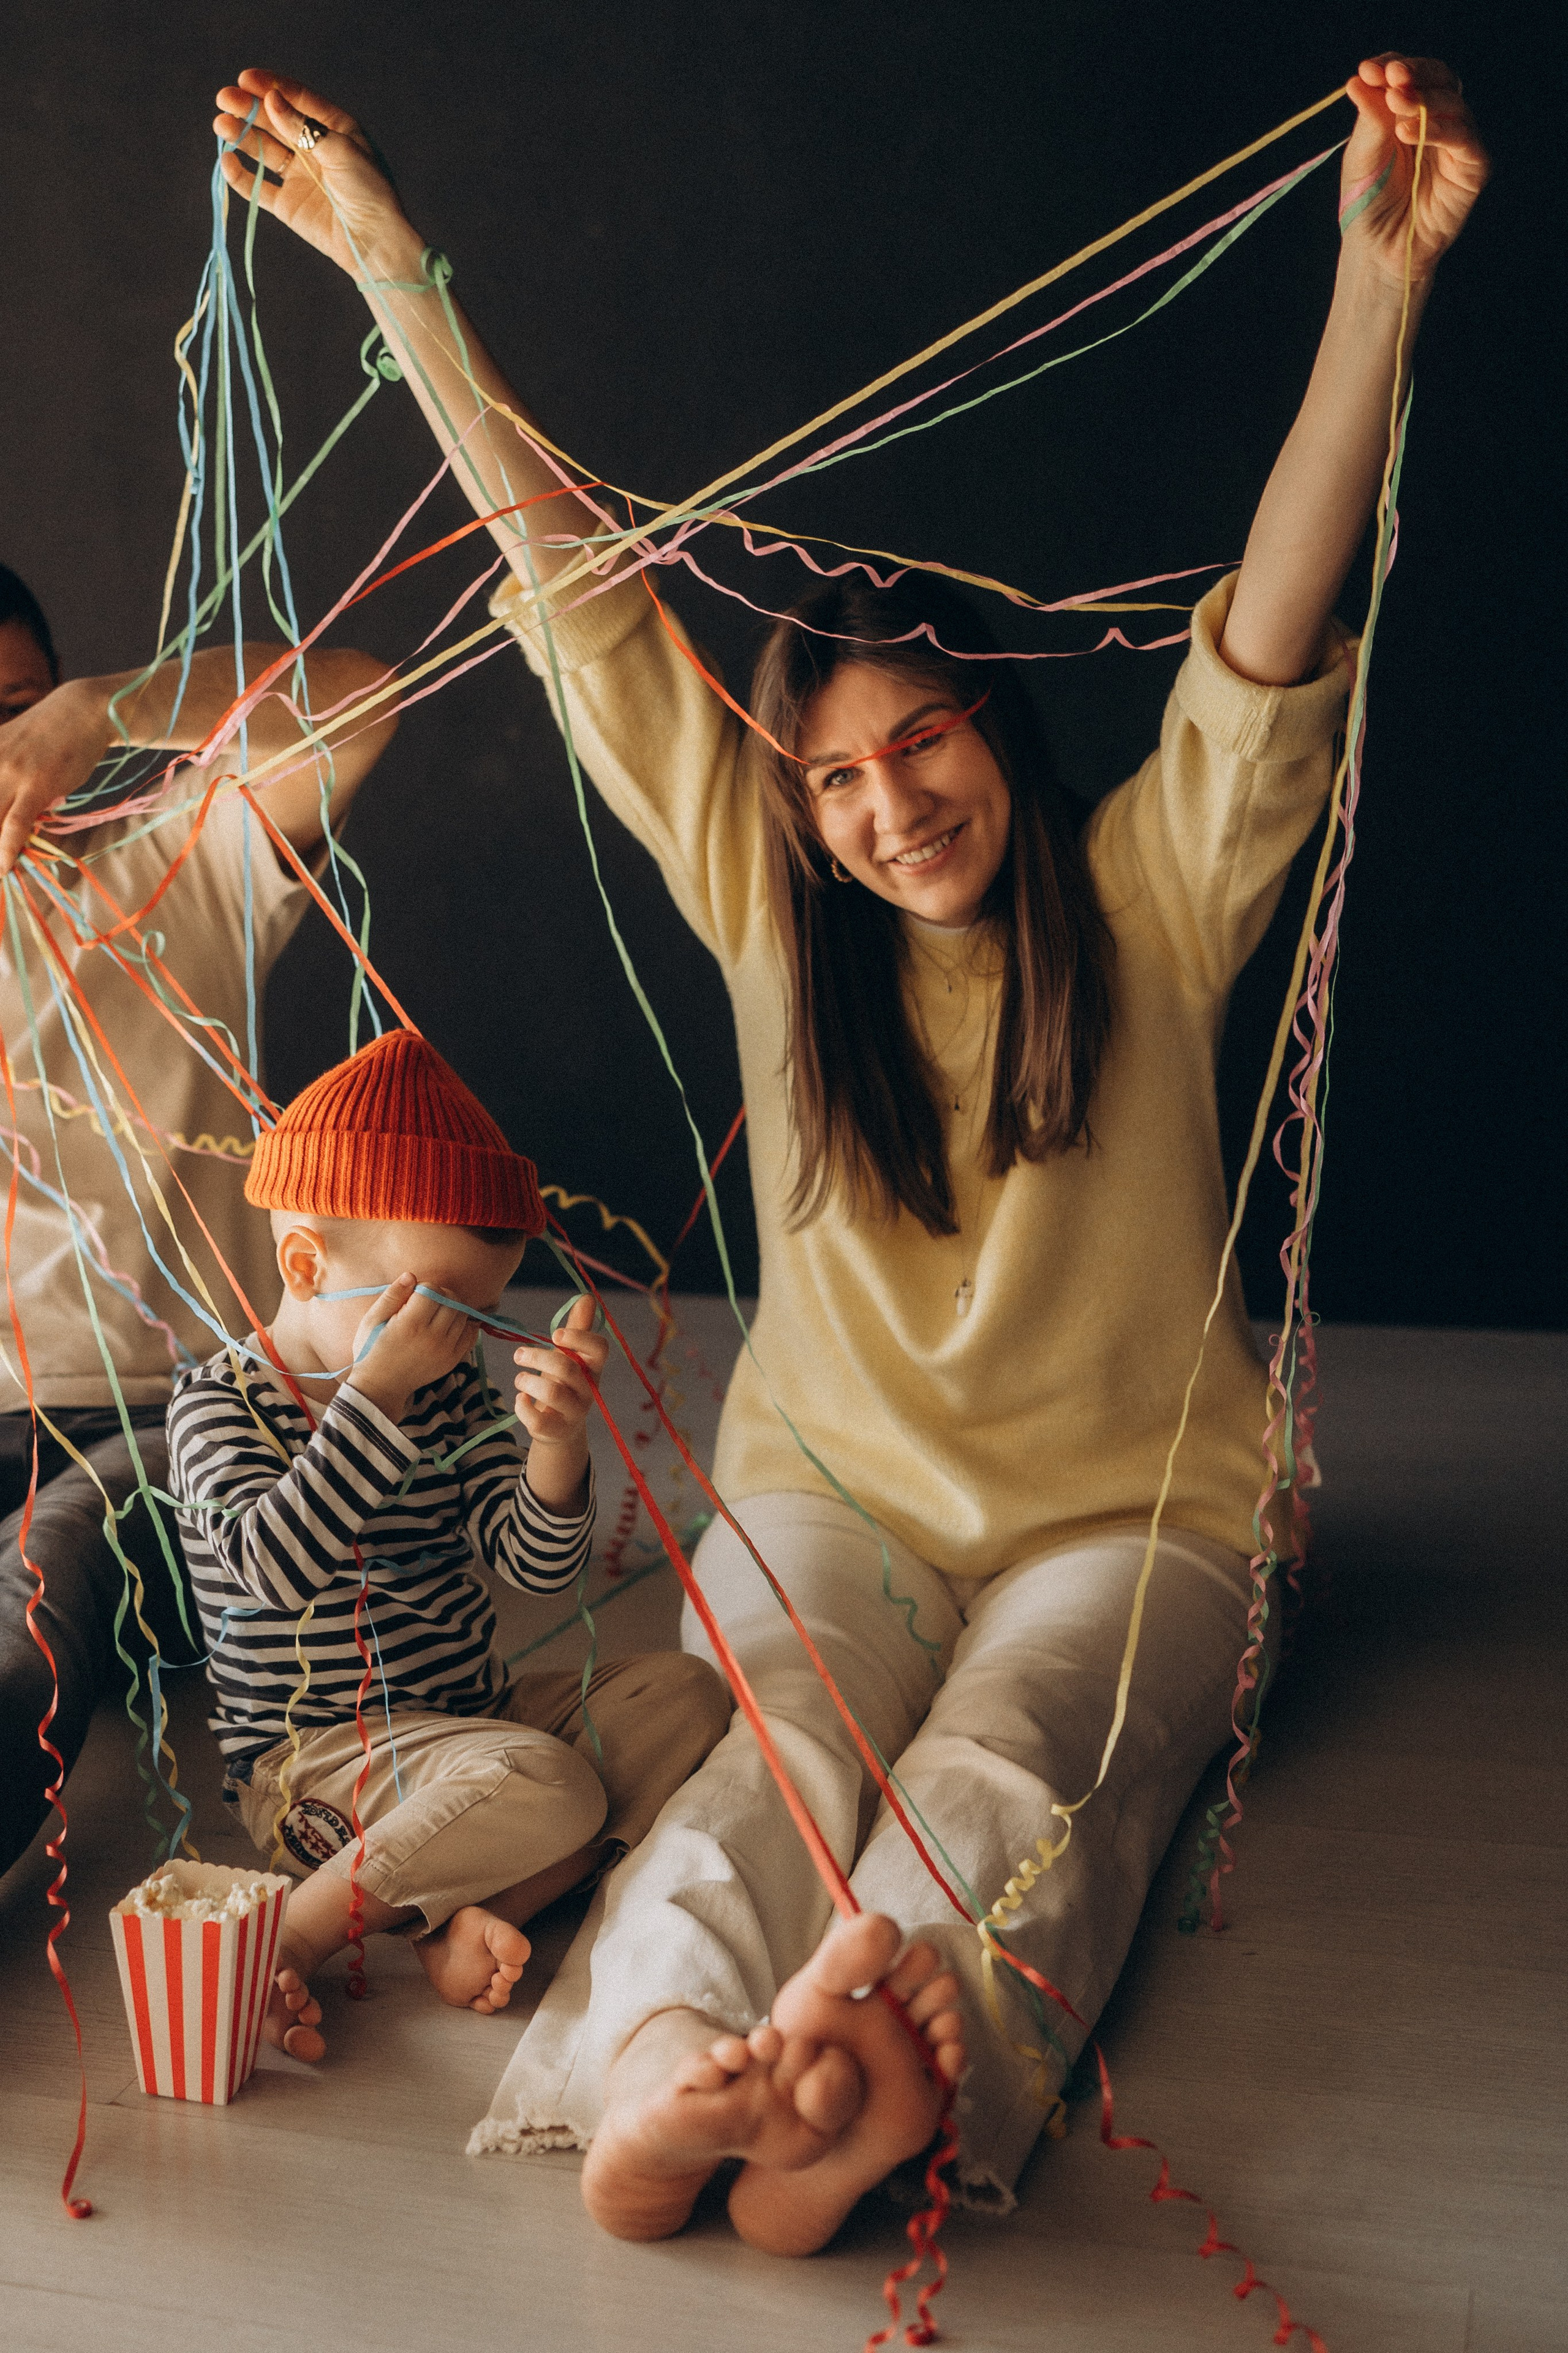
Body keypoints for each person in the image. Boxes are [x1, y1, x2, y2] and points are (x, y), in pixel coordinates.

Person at [213, 54, 1488, 2249]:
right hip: (842, 1499)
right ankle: (655, 2085)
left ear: (1001, 724)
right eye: (838, 779)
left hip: (1134, 1515)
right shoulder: (773, 919)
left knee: (1022, 1770)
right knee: (764, 1769)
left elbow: (1273, 627)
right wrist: (396, 274)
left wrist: (1378, 281)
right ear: (790, 810)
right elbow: (580, 594)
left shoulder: (1157, 889)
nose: (891, 802)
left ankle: (875, 2084)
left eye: (929, 743)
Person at [166, 1028, 731, 2057]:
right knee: (552, 1785)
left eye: (479, 1311)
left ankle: (445, 1907)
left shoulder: (443, 1389)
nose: (461, 1340)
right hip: (321, 1763)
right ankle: (293, 1928)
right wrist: (373, 1396)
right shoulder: (218, 1406)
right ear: (305, 1261)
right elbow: (268, 1571)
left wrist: (554, 1446)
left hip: (474, 1720)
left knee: (689, 1699)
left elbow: (532, 1565)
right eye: (441, 1309)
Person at [0, 568, 399, 1878]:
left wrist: (106, 709)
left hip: (178, 1429)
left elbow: (364, 701)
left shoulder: (185, 861)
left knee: (48, 1582)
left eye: (13, 715)